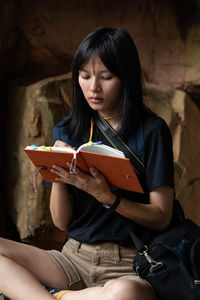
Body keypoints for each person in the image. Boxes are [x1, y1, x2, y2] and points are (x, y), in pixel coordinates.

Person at [0, 27, 175, 300]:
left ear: (125, 77)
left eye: (106, 77)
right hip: (73, 258)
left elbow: (162, 217)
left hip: (128, 264)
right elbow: (61, 222)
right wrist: (57, 172)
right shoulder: (68, 130)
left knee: (123, 294)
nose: (93, 87)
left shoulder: (152, 130)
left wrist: (107, 197)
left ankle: (56, 296)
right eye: (84, 76)